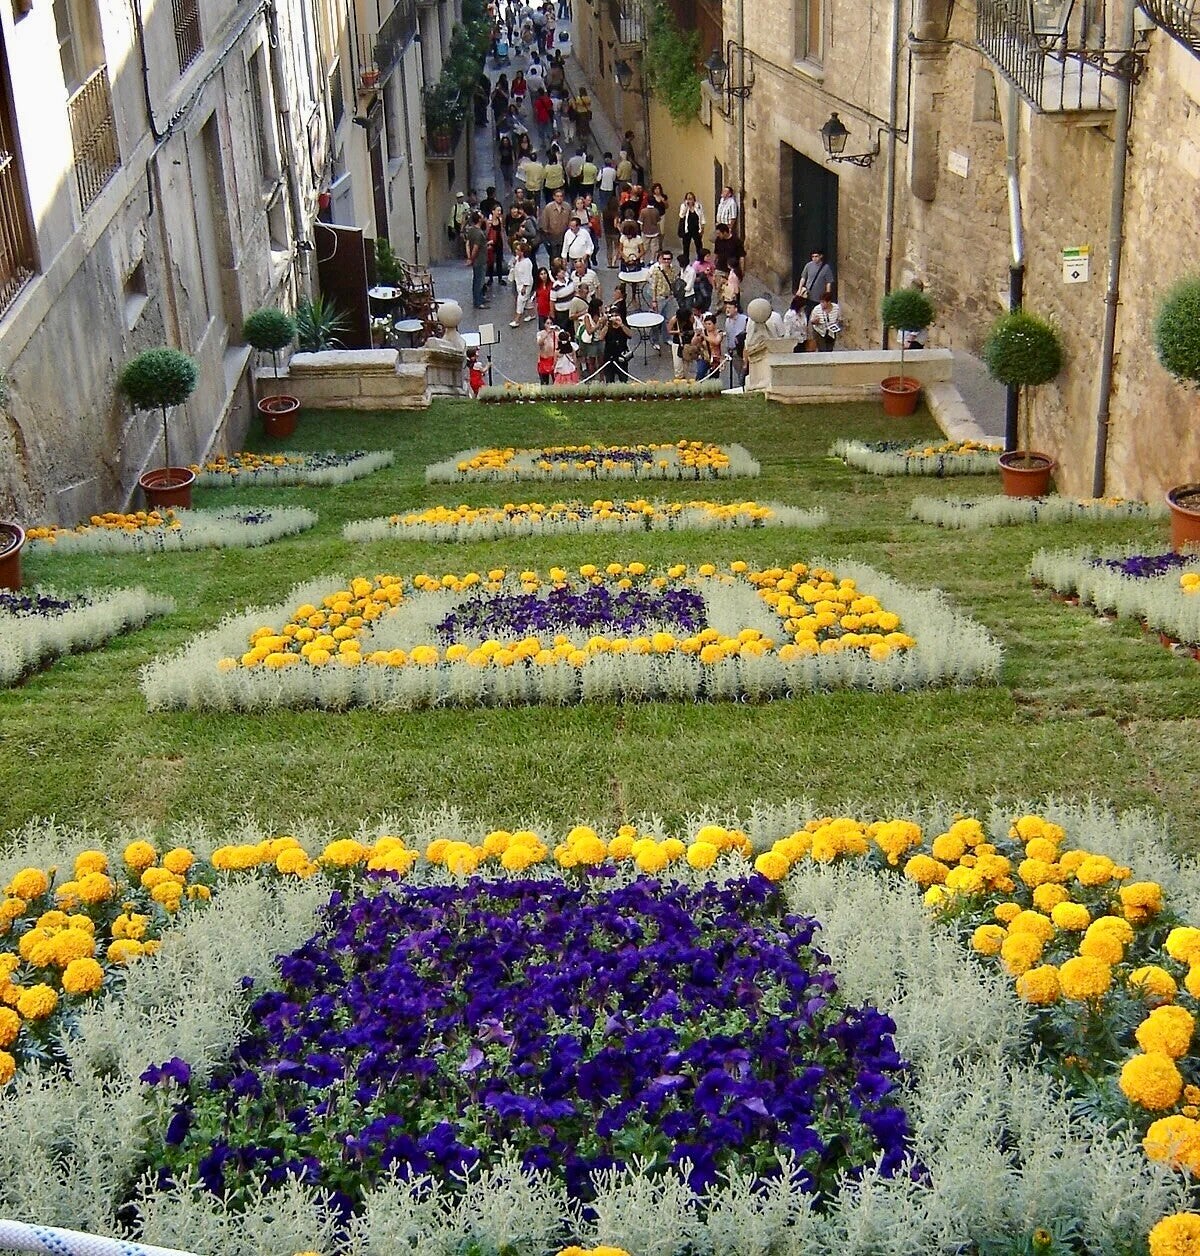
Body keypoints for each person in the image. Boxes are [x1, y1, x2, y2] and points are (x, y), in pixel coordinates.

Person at [649, 250, 678, 348]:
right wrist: (654, 300)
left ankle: (667, 338)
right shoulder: (656, 270)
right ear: (661, 259)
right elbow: (653, 286)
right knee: (656, 320)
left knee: (667, 320)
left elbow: (673, 281)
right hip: (659, 298)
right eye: (664, 259)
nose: (666, 261)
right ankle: (655, 340)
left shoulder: (672, 269)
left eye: (668, 259)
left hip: (669, 297)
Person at [795, 249, 835, 318]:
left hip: (819, 296)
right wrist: (799, 289)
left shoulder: (826, 268)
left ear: (821, 256)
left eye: (816, 256)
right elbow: (803, 278)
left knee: (819, 314)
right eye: (813, 257)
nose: (814, 258)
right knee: (807, 312)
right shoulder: (808, 265)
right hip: (808, 295)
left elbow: (828, 282)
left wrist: (827, 295)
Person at [577, 297, 609, 378]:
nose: (601, 308)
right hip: (592, 342)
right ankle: (593, 377)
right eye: (600, 306)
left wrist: (605, 322)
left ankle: (602, 378)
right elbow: (589, 331)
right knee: (592, 361)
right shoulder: (587, 317)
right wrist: (597, 325)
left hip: (600, 340)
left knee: (601, 361)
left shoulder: (602, 315)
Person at [603, 296, 632, 382]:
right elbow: (601, 337)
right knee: (609, 379)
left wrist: (621, 325)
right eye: (613, 315)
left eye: (616, 315)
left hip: (621, 354)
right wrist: (607, 325)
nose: (614, 317)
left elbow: (630, 334)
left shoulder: (623, 324)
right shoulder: (608, 325)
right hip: (609, 355)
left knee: (623, 379)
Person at [463, 211, 489, 308]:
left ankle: (480, 298)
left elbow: (467, 244)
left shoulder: (471, 231)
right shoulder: (479, 233)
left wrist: (469, 256)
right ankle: (478, 302)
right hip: (480, 260)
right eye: (481, 216)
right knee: (479, 281)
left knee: (476, 280)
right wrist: (471, 258)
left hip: (477, 260)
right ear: (479, 219)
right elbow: (476, 247)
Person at [539, 187, 572, 261]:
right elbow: (544, 221)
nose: (559, 198)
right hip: (552, 236)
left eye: (561, 196)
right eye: (557, 196)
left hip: (564, 236)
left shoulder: (567, 207)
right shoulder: (548, 207)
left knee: (563, 256)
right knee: (553, 256)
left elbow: (571, 219)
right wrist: (546, 233)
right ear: (554, 197)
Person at [723, 299, 748, 387]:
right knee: (739, 373)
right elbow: (728, 336)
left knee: (744, 373)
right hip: (733, 351)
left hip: (743, 350)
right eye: (727, 308)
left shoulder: (744, 319)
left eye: (730, 308)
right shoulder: (727, 321)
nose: (727, 310)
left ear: (735, 309)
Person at [677, 192, 705, 265]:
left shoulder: (698, 206)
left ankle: (700, 260)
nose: (690, 200)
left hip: (696, 229)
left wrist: (702, 228)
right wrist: (686, 206)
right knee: (686, 246)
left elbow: (702, 216)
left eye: (691, 198)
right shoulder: (683, 206)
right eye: (688, 198)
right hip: (687, 230)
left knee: (699, 245)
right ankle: (685, 262)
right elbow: (681, 215)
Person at [510, 243, 535, 325]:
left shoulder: (527, 263)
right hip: (519, 283)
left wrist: (524, 287)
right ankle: (532, 314)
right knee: (526, 300)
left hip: (525, 285)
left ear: (522, 252)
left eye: (518, 250)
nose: (516, 251)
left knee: (520, 300)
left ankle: (516, 320)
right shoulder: (517, 259)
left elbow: (527, 275)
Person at [694, 312, 723, 380]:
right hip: (704, 358)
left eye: (709, 324)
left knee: (713, 378)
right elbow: (693, 342)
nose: (707, 326)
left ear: (714, 324)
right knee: (700, 374)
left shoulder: (719, 333)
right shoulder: (703, 332)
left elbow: (716, 342)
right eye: (706, 324)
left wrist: (704, 336)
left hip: (715, 359)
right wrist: (696, 334)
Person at [549, 257, 576, 331]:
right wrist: (552, 315)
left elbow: (574, 292)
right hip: (561, 314)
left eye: (562, 271)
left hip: (571, 310)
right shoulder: (555, 287)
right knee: (563, 330)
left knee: (572, 329)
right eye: (560, 272)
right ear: (556, 276)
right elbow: (552, 302)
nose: (562, 272)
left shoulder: (570, 281)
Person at [485, 206, 506, 289]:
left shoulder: (500, 220)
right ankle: (490, 278)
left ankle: (500, 278)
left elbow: (501, 231)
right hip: (491, 242)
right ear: (493, 211)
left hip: (499, 242)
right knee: (490, 261)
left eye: (500, 211)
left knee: (499, 260)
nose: (499, 212)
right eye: (498, 210)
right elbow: (486, 233)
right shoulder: (488, 222)